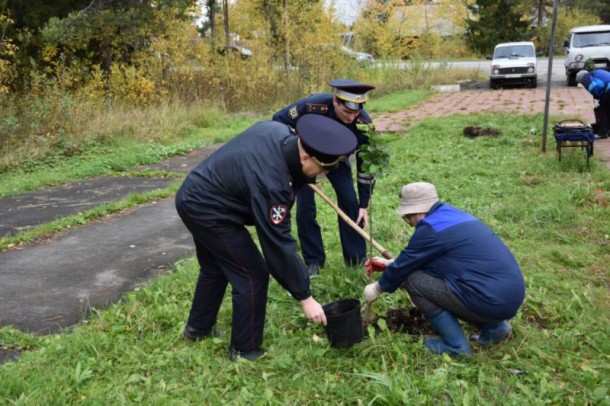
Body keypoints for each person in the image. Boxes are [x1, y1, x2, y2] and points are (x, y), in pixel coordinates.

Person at [175, 115, 357, 361]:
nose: (323, 174)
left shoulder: (280, 131)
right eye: (322, 168)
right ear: (305, 156)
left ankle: (197, 328)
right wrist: (305, 297)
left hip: (195, 192)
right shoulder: (273, 182)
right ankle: (244, 350)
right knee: (252, 274)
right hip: (208, 210)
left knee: (215, 267)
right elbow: (277, 244)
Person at [363, 182, 525, 357]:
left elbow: (406, 267)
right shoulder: (453, 216)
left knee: (413, 280)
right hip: (510, 295)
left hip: (489, 299)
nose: (409, 224)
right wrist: (391, 263)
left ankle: (455, 347)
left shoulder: (429, 229)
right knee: (429, 276)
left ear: (417, 211)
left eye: (407, 217)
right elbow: (439, 257)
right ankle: (495, 328)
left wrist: (377, 288)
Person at [272, 79, 376, 276]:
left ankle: (356, 260)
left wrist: (364, 203)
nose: (352, 118)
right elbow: (278, 120)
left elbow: (367, 164)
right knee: (305, 207)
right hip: (307, 161)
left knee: (349, 202)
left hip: (337, 162)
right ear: (336, 102)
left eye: (356, 113)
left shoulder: (364, 124)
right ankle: (313, 261)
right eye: (347, 112)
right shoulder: (313, 106)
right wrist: (296, 147)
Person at [576, 68, 610, 139]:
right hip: (607, 88)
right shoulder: (596, 72)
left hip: (608, 90)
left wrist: (596, 103)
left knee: (600, 110)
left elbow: (595, 92)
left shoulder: (585, 78)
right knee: (608, 109)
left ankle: (602, 133)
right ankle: (607, 130)